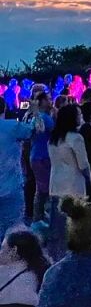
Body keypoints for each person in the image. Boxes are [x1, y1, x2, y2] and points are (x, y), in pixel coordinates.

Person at [47, 104, 91, 261]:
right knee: (74, 226)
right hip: (73, 185)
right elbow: (83, 164)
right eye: (78, 115)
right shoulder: (76, 138)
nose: (80, 118)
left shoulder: (53, 139)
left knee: (57, 228)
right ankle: (73, 258)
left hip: (56, 184)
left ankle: (54, 258)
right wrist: (89, 177)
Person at [0, 101, 33, 237]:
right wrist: (35, 112)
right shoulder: (13, 126)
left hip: (10, 185)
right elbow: (32, 130)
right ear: (5, 108)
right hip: (11, 186)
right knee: (12, 232)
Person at [25, 92, 54, 226]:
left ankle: (39, 216)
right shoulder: (42, 118)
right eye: (48, 99)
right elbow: (42, 130)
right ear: (41, 102)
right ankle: (38, 219)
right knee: (43, 189)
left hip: (38, 155)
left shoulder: (43, 116)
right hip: (41, 157)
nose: (51, 101)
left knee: (41, 188)